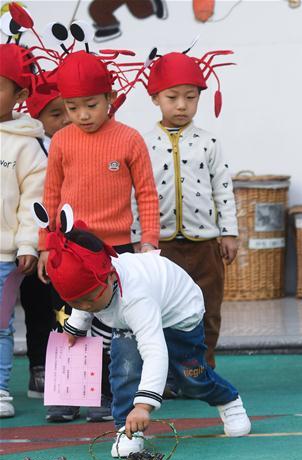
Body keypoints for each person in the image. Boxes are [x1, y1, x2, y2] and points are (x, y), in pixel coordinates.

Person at [39, 206, 251, 456]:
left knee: (190, 377)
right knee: (124, 369)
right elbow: (82, 298)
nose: (85, 307)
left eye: (89, 300)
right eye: (77, 302)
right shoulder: (92, 288)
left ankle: (228, 400)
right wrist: (76, 326)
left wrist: (144, 406)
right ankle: (126, 429)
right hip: (130, 320)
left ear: (109, 277)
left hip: (179, 314)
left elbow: (155, 352)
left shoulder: (135, 297)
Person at [37, 50, 160, 423]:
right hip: (69, 249)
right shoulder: (61, 141)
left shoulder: (130, 139)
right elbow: (51, 195)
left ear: (110, 98)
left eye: (91, 105)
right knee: (69, 321)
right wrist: (46, 245)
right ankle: (67, 394)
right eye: (72, 108)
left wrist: (149, 241)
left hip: (117, 250)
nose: (83, 115)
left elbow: (147, 193)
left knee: (115, 326)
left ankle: (109, 396)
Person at [142, 50, 238, 368]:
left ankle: (201, 368)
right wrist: (141, 239)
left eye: (190, 97)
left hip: (205, 245)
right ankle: (167, 373)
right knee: (164, 311)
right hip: (161, 245)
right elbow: (135, 193)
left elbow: (223, 189)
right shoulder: (142, 144)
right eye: (172, 97)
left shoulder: (209, 143)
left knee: (208, 309)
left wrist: (229, 233)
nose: (182, 105)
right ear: (156, 97)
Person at [0, 43, 46, 418]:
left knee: (0, 326)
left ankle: (0, 390)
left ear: (20, 95)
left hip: (3, 255)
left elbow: (34, 201)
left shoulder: (26, 145)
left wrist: (28, 244)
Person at [19, 68, 69, 403]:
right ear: (36, 117)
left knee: (71, 310)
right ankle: (40, 366)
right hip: (36, 242)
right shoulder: (31, 148)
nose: (66, 118)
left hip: (71, 244)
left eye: (70, 109)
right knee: (37, 307)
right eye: (55, 113)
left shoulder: (82, 141)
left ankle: (77, 375)